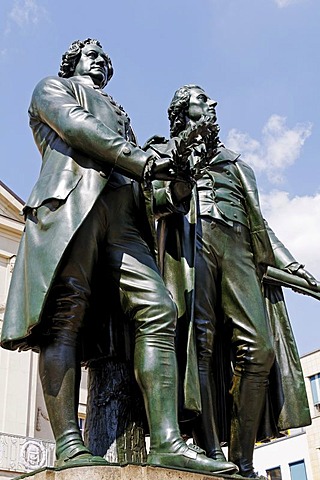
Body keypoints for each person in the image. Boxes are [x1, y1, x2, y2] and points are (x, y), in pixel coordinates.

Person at [0, 42, 239, 474]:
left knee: (159, 309)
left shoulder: (124, 116)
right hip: (72, 206)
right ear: (71, 61)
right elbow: (78, 129)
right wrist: (145, 160)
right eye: (90, 52)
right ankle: (69, 443)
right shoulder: (52, 88)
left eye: (104, 55)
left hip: (124, 218)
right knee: (65, 317)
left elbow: (148, 188)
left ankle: (166, 441)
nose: (100, 58)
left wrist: (179, 179)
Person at [148, 84, 318, 478]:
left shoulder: (237, 163)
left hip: (240, 245)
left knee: (260, 350)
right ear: (181, 111)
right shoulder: (163, 150)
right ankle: (212, 451)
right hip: (194, 242)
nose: (212, 105)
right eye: (202, 100)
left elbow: (263, 228)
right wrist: (180, 166)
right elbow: (154, 201)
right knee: (199, 346)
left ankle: (244, 459)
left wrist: (294, 268)